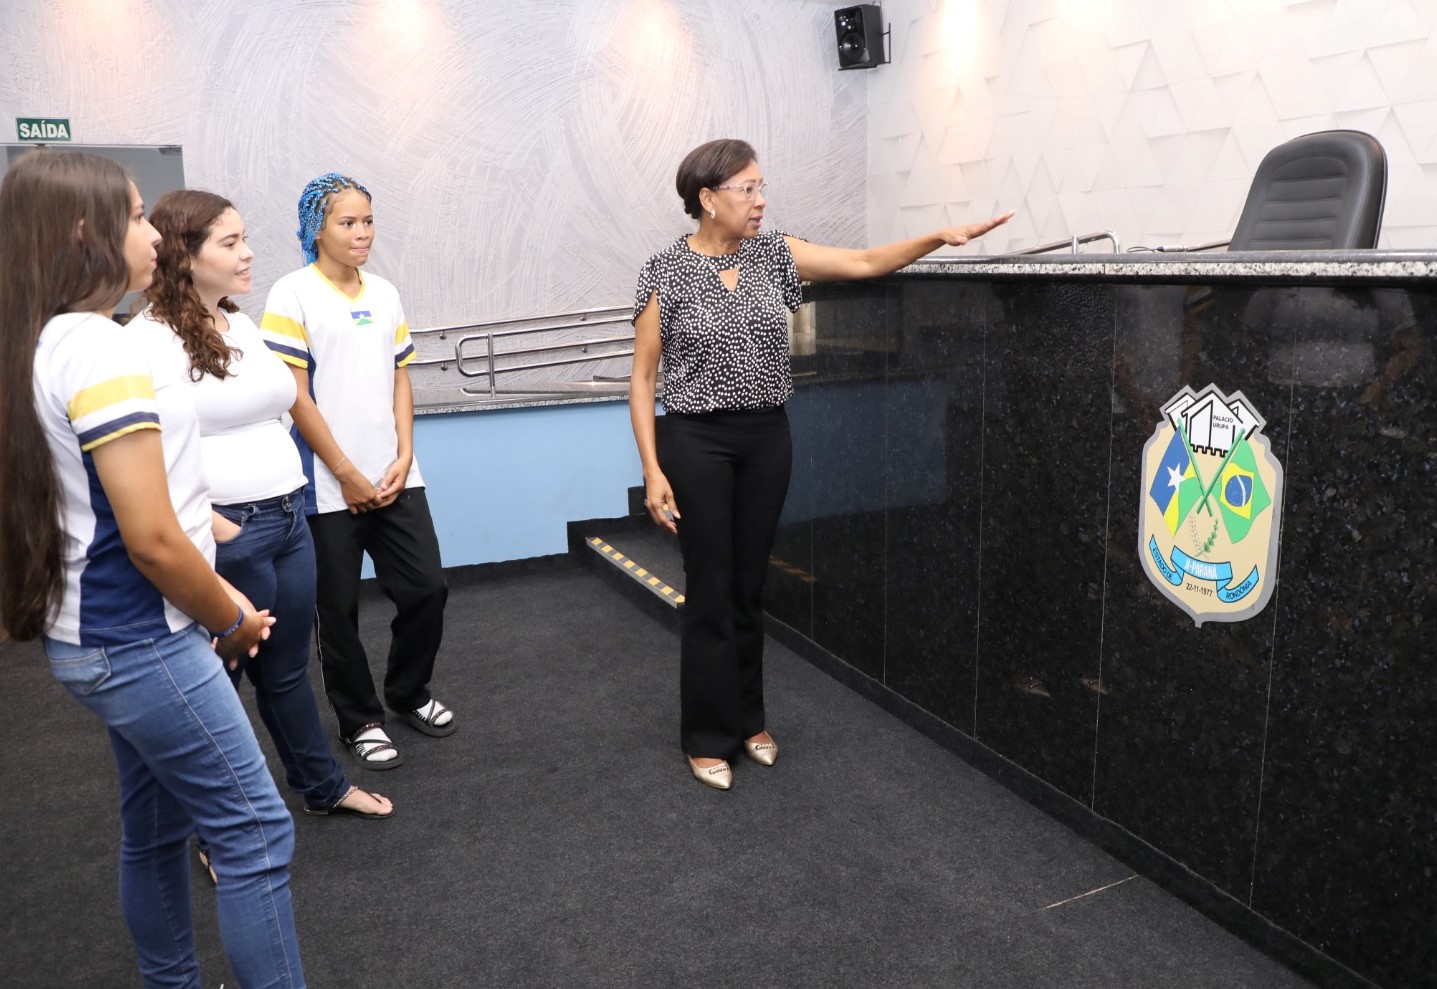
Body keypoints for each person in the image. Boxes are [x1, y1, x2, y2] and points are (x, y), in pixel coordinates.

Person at [0, 149, 308, 986]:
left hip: (95, 635)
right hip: (140, 637)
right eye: (137, 216)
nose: (153, 234)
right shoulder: (101, 350)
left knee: (158, 830)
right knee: (255, 832)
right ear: (84, 231)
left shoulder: (44, 339)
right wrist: (230, 617)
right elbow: (151, 538)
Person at [629, 138, 1013, 790]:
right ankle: (706, 733)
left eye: (762, 186)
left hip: (766, 437)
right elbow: (642, 379)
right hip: (696, 441)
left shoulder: (775, 253)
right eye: (747, 188)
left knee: (750, 584)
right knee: (711, 586)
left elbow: (863, 262)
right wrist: (653, 469)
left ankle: (749, 719)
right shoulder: (664, 271)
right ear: (707, 198)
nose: (760, 200)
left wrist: (936, 238)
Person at [137, 188, 393, 821]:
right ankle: (214, 829)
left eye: (244, 238)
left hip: (286, 519)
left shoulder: (240, 324)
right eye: (230, 243)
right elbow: (144, 456)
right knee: (217, 686)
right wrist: (216, 527)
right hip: (230, 533)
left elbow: (280, 408)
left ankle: (323, 788)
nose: (249, 253)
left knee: (285, 672)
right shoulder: (148, 341)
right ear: (185, 256)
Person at [261, 173, 453, 770]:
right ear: (315, 229)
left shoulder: (386, 293)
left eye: (367, 221)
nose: (362, 232)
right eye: (347, 222)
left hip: (395, 475)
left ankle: (408, 692)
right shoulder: (291, 295)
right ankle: (360, 720)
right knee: (337, 611)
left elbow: (400, 377)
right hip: (325, 487)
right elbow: (296, 396)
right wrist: (345, 472)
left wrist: (404, 454)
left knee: (427, 589)